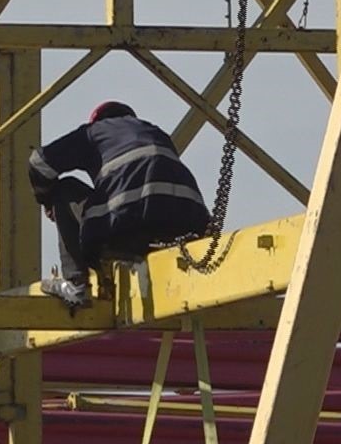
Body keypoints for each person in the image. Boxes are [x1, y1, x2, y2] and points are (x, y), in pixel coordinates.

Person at [27, 101, 212, 307]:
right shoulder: (157, 133)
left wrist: (46, 201)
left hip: (125, 226)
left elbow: (39, 164)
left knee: (64, 189)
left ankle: (76, 284)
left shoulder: (93, 133)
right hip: (188, 230)